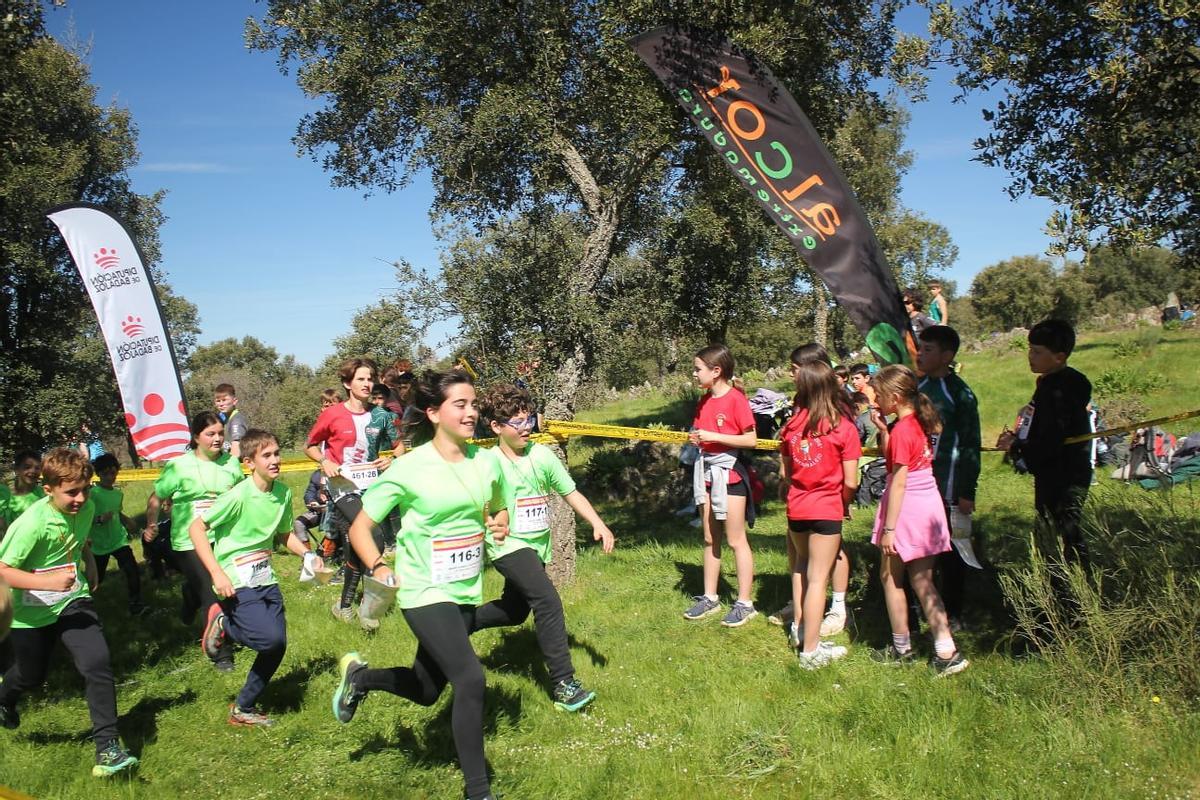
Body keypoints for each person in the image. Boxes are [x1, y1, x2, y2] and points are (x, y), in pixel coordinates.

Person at [330, 370, 508, 800]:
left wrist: (497, 524)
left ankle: (360, 678)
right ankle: (478, 791)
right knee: (470, 679)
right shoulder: (408, 468)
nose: (471, 412)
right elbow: (361, 527)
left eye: (473, 404)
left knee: (426, 690)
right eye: (460, 405)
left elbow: (499, 508)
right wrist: (376, 565)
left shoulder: (487, 461)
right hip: (423, 590)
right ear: (433, 413)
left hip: (464, 588)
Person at [473, 383, 615, 710]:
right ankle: (564, 684)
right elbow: (474, 500)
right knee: (547, 601)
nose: (526, 428)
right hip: (507, 546)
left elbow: (571, 492)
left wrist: (598, 522)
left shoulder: (542, 455)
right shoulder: (487, 462)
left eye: (529, 420)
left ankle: (455, 625)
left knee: (514, 610)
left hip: (536, 548)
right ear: (496, 427)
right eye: (517, 423)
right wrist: (487, 520)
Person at [0, 449, 138, 777]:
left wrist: (89, 563)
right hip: (30, 613)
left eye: (85, 489)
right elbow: (2, 570)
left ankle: (108, 748)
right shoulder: (32, 524)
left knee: (97, 662)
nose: (81, 498)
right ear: (49, 490)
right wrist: (47, 580)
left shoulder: (87, 506)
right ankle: (4, 697)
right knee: (31, 675)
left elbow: (79, 540)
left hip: (73, 600)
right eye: (71, 492)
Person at [190, 429, 322, 727]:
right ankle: (223, 625)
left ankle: (243, 708)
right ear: (249, 462)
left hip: (265, 575)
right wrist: (216, 572)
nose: (275, 460)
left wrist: (307, 554)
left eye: (277, 453)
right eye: (267, 455)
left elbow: (284, 534)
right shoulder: (238, 495)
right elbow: (196, 529)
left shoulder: (283, 493)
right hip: (235, 578)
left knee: (277, 645)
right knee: (269, 638)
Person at [867, 365, 968, 676]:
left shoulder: (903, 430)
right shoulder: (916, 424)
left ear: (895, 398)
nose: (875, 402)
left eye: (879, 397)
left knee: (890, 577)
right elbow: (897, 458)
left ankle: (901, 648)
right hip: (928, 504)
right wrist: (884, 430)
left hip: (907, 509)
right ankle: (945, 648)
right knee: (923, 580)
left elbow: (897, 481)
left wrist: (889, 529)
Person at [143, 411, 245, 671]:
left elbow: (240, 497)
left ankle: (190, 596)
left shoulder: (231, 464)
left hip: (223, 538)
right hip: (188, 541)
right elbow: (156, 497)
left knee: (225, 586)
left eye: (220, 433)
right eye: (210, 434)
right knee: (213, 591)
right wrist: (151, 524)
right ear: (196, 437)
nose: (217, 438)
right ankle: (221, 653)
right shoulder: (179, 466)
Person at [768, 344, 854, 638]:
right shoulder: (799, 405)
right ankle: (802, 617)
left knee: (831, 555)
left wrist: (844, 499)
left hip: (826, 498)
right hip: (804, 498)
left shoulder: (837, 406)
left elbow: (845, 458)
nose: (792, 376)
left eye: (795, 370)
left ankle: (837, 608)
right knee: (802, 561)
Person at [305, 358, 399, 629]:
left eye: (370, 378)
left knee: (358, 548)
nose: (367, 383)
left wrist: (391, 458)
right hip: (342, 487)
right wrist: (324, 462)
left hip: (371, 486)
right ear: (347, 383)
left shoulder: (381, 415)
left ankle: (345, 605)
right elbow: (309, 446)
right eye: (361, 379)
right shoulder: (332, 414)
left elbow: (399, 446)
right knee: (375, 538)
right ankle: (370, 607)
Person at [997, 319, 1093, 575]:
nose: (1031, 356)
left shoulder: (1062, 388)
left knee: (1063, 531)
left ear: (1060, 357)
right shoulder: (1049, 384)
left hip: (1066, 472)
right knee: (1050, 528)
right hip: (1051, 471)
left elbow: (1052, 436)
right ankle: (1057, 585)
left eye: (1038, 352)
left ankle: (1071, 590)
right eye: (1030, 349)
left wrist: (1017, 445)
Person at [682, 344, 758, 627]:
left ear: (716, 371)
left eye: (698, 369)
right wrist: (697, 438)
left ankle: (745, 602)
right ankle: (710, 596)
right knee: (710, 537)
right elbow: (702, 432)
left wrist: (713, 435)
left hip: (730, 475)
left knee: (736, 539)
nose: (694, 374)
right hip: (706, 473)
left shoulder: (737, 400)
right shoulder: (704, 401)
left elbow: (751, 439)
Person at [916, 326, 981, 630]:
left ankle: (954, 611)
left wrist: (967, 489)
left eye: (928, 349)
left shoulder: (960, 393)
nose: (920, 353)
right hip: (918, 483)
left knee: (952, 548)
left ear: (947, 356)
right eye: (921, 348)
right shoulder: (917, 387)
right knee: (920, 545)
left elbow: (971, 443)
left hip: (949, 484)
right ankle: (923, 603)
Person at [88, 454, 148, 616]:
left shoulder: (117, 493)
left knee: (132, 570)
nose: (110, 477)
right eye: (105, 473)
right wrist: (99, 519)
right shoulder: (93, 494)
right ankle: (83, 605)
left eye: (113, 473)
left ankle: (136, 604)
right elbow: (83, 517)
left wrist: (126, 520)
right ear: (98, 473)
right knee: (96, 578)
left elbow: (117, 512)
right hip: (99, 545)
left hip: (118, 540)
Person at [5, 451, 45, 530]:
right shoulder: (4, 496)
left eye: (37, 468)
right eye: (27, 467)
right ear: (17, 470)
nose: (33, 471)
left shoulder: (45, 495)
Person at [214, 383, 248, 459]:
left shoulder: (237, 420)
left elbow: (236, 452)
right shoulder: (221, 418)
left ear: (234, 401)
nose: (221, 404)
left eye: (224, 400)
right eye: (218, 401)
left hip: (238, 466)